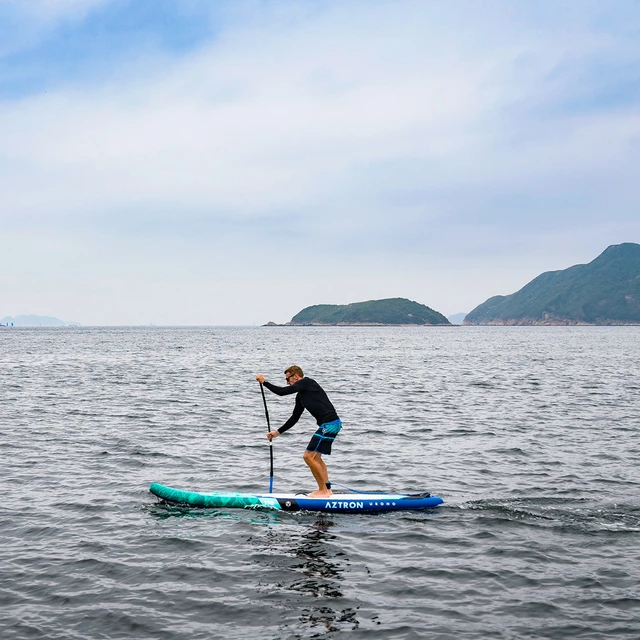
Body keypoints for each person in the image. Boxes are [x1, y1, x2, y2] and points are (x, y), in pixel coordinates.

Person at [255, 366, 341, 498]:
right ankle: (327, 489)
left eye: (287, 379)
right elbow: (294, 418)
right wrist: (277, 432)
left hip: (329, 424)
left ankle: (323, 490)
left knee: (308, 456)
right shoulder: (300, 397)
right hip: (332, 424)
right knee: (316, 458)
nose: (287, 382)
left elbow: (282, 392)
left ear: (295, 376)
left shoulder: (307, 382)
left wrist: (264, 382)